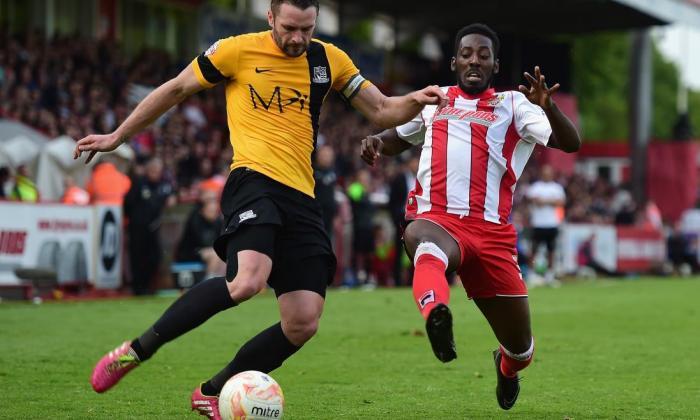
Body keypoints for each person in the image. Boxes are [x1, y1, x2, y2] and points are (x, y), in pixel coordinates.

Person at [74, 0, 447, 417]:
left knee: (303, 321)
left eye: (306, 29)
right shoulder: (234, 50)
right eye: (289, 28)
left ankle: (212, 392)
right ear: (270, 17)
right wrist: (118, 135)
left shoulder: (328, 59)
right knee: (247, 281)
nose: (297, 39)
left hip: (302, 198)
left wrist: (416, 99)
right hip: (254, 181)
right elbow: (177, 88)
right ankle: (136, 351)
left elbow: (380, 109)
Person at [360, 23, 580, 410]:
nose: (473, 61)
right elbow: (401, 136)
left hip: (492, 234)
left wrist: (548, 106)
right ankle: (436, 314)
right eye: (466, 54)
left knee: (522, 348)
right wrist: (379, 141)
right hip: (437, 218)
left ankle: (507, 366)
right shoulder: (434, 99)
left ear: (495, 65)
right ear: (454, 62)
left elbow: (570, 143)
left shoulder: (515, 105)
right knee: (426, 245)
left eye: (482, 55)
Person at [123, 157, 176, 295]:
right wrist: (133, 220)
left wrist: (172, 197)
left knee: (154, 257)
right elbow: (128, 203)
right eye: (152, 171)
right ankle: (138, 288)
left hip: (153, 227)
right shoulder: (139, 183)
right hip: (137, 227)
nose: (155, 174)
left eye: (157, 171)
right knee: (137, 257)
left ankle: (149, 286)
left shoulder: (163, 185)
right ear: (148, 170)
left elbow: (170, 193)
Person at [526, 164, 565, 285]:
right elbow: (534, 201)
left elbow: (560, 202)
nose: (547, 175)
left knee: (551, 250)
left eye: (549, 173)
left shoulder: (557, 187)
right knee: (534, 250)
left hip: (552, 223)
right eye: (545, 172)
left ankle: (549, 275)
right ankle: (531, 275)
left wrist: (545, 201)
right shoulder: (536, 187)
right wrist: (551, 201)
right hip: (538, 223)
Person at [176, 189, 226, 279]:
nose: (214, 213)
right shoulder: (195, 218)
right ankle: (209, 283)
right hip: (189, 253)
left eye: (215, 211)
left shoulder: (217, 221)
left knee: (224, 255)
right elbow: (203, 242)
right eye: (211, 210)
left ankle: (221, 282)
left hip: (206, 251)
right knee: (215, 254)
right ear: (203, 209)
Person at [389, 154, 419, 286]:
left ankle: (414, 280)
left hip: (417, 219)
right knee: (399, 250)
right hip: (402, 218)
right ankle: (397, 281)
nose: (416, 165)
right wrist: (395, 218)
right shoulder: (399, 179)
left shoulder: (422, 179)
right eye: (413, 162)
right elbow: (392, 200)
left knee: (416, 250)